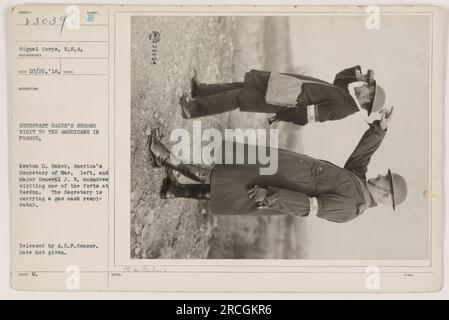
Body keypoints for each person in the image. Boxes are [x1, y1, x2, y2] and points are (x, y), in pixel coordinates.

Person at [147, 107, 407, 223]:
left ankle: (164, 157)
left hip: (279, 185)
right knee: (226, 182)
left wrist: (271, 196)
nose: (380, 176)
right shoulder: (358, 183)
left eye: (385, 179)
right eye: (384, 175)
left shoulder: (353, 207)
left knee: (223, 178)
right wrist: (379, 130)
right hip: (284, 170)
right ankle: (174, 190)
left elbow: (310, 207)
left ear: (386, 194)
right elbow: (361, 158)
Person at [179, 66, 386, 126]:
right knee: (244, 86)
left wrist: (283, 115)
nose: (364, 86)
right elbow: (339, 78)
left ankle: (193, 109)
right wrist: (355, 75)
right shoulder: (345, 96)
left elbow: (308, 116)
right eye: (368, 84)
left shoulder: (343, 108)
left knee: (240, 97)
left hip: (286, 98)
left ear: (367, 100)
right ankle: (202, 91)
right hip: (288, 86)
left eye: (368, 88)